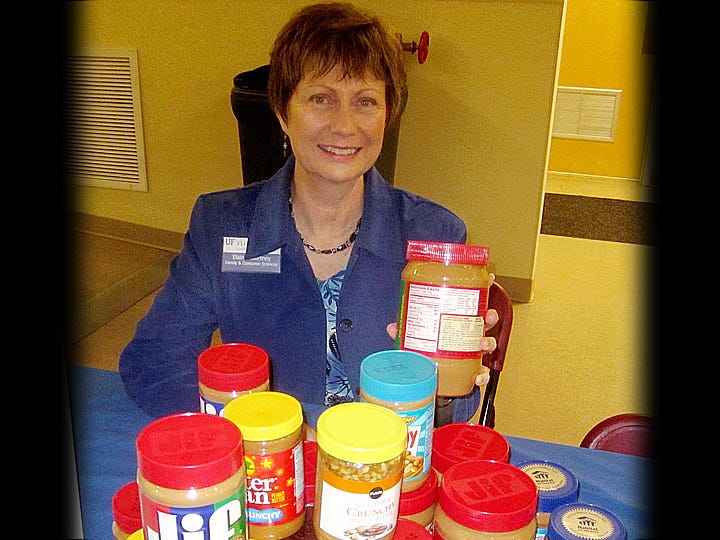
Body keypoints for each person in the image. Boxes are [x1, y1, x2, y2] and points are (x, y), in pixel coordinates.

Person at [119, 1, 497, 430]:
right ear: (283, 111)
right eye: (321, 98)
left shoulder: (436, 237)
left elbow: (454, 412)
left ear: (388, 115)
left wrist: (449, 384)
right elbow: (154, 363)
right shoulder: (222, 225)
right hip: (264, 471)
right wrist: (271, 434)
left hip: (387, 471)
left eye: (366, 102)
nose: (344, 125)